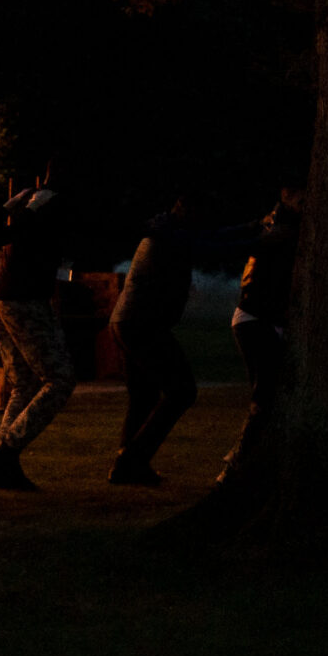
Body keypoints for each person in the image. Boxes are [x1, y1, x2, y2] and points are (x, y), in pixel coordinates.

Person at [0, 183, 74, 492]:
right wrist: (27, 208)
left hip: (4, 300)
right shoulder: (45, 208)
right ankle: (7, 448)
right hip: (25, 301)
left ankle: (4, 468)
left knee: (24, 383)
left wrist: (14, 204)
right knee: (59, 380)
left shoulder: (33, 209)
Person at [106, 193, 202, 486]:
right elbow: (216, 245)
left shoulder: (164, 231)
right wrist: (257, 237)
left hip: (126, 321)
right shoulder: (171, 237)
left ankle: (127, 465)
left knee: (144, 396)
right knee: (182, 390)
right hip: (142, 324)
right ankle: (132, 459)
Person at [222, 180, 303, 481]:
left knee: (268, 393)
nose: (305, 201)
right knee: (264, 394)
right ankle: (238, 462)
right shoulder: (278, 229)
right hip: (256, 319)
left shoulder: (280, 226)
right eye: (300, 196)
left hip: (260, 319)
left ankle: (244, 460)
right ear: (286, 194)